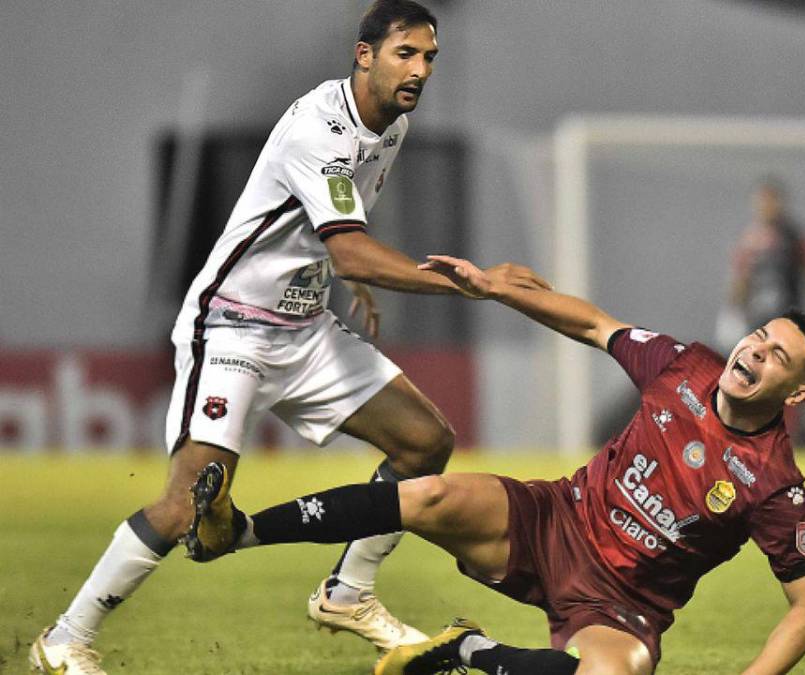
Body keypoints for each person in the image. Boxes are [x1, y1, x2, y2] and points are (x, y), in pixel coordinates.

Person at [29, 4, 548, 673]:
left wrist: (344, 271)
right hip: (235, 325)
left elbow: (341, 230)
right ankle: (66, 637)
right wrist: (470, 283)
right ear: (364, 55)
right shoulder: (317, 128)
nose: (419, 70)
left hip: (304, 328)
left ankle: (348, 592)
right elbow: (356, 250)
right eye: (405, 55)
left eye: (429, 57)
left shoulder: (392, 124)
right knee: (187, 501)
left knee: (425, 440)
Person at [188, 253, 805, 674]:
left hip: (622, 600)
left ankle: (463, 651)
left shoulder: (775, 484)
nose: (755, 352)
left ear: (799, 392)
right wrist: (496, 289)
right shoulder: (683, 366)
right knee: (430, 494)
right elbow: (592, 324)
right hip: (552, 518)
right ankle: (236, 530)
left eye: (778, 356)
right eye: (760, 336)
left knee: (617, 673)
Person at [719, 178, 805, 353]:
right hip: (757, 314)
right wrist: (734, 310)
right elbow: (741, 276)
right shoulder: (749, 239)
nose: (768, 206)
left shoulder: (794, 236)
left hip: (789, 310)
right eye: (763, 201)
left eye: (772, 200)